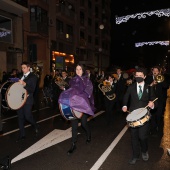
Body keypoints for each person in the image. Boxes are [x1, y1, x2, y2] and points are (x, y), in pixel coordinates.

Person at [122, 67, 157, 164]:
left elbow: (154, 100)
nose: (138, 77)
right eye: (136, 76)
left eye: (140, 76)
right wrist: (124, 105)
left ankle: (144, 151)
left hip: (144, 116)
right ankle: (135, 155)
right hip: (133, 116)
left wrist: (152, 104)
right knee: (134, 137)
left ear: (145, 76)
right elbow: (126, 97)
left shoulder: (149, 88)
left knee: (142, 136)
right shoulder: (131, 87)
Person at [58, 64, 95, 155]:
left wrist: (78, 95)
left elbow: (88, 93)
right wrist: (64, 88)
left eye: (80, 69)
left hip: (82, 105)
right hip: (74, 104)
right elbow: (70, 89)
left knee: (83, 123)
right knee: (74, 126)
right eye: (77, 69)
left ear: (83, 70)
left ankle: (88, 134)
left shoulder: (87, 81)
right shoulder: (72, 80)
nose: (78, 71)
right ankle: (73, 144)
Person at [16, 61, 39, 142]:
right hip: (20, 100)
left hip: (28, 100)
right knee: (20, 117)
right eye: (22, 68)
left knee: (28, 116)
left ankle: (35, 125)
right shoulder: (20, 76)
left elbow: (32, 89)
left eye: (24, 68)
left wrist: (25, 84)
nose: (23, 69)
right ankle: (22, 135)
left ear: (29, 68)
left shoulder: (33, 77)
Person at [145, 66, 169, 136]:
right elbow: (146, 87)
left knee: (158, 114)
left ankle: (157, 125)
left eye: (156, 70)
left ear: (158, 72)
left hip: (160, 99)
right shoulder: (149, 78)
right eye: (154, 70)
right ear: (152, 71)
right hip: (151, 100)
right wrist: (152, 83)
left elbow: (166, 86)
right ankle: (153, 127)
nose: (155, 71)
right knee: (151, 115)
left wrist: (161, 79)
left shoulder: (161, 78)